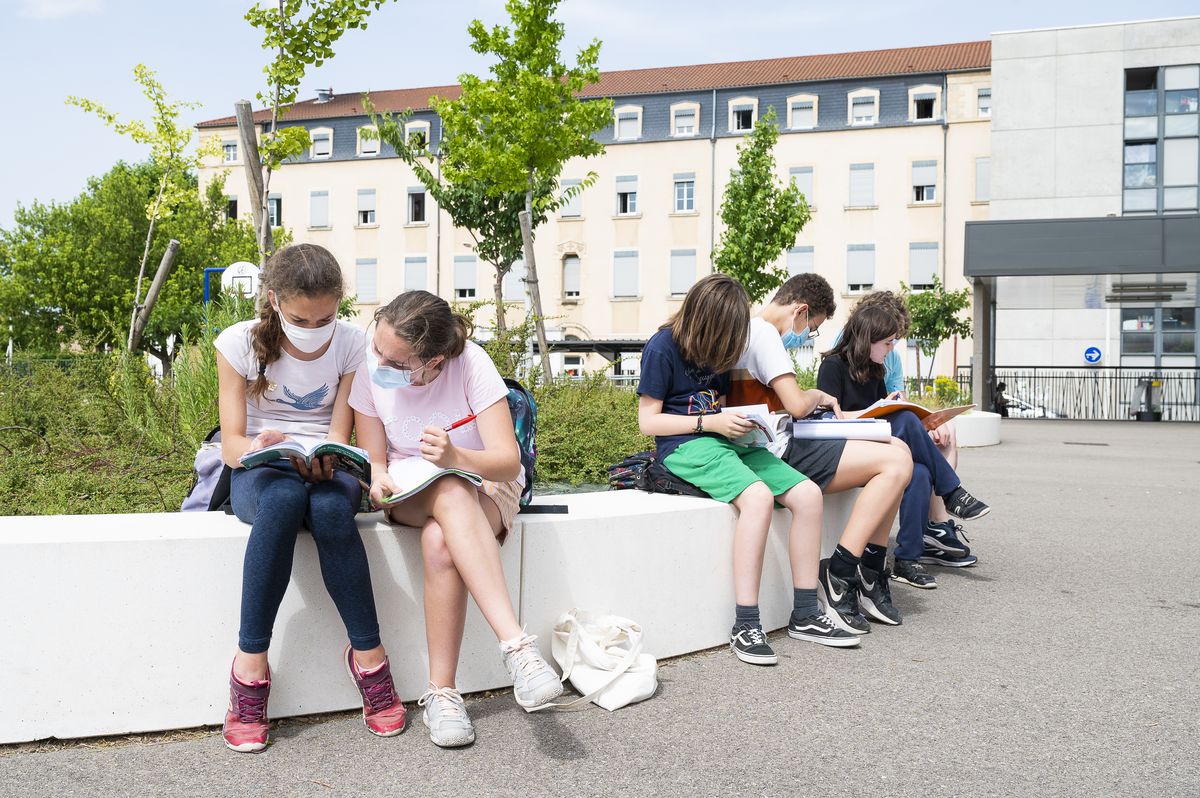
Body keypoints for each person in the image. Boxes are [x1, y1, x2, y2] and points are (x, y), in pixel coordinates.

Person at [215, 243, 406, 753]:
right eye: (302, 317)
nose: (315, 327)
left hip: (325, 467)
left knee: (325, 507)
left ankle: (369, 656)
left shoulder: (349, 344)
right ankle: (250, 663)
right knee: (280, 502)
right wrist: (257, 446)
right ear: (273, 299)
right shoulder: (237, 343)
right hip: (262, 465)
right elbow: (230, 443)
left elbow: (340, 434)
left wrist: (332, 459)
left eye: (327, 316)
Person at [351, 290, 561, 748]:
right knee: (448, 487)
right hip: (409, 488)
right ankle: (518, 647)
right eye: (378, 350)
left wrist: (455, 454)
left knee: (440, 540)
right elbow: (377, 460)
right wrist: (378, 478)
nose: (382, 362)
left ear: (435, 361)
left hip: (486, 481)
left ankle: (442, 695)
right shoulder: (369, 369)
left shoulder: (472, 364)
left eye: (399, 362)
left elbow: (507, 461)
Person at [637, 273, 859, 667]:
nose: (731, 342)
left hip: (724, 438)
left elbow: (717, 403)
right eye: (727, 331)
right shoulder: (662, 347)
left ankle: (806, 612)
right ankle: (745, 623)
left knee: (807, 494)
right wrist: (711, 424)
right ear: (706, 320)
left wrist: (739, 422)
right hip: (684, 445)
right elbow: (648, 423)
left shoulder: (717, 346)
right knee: (756, 498)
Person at [728, 274, 912, 634]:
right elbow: (797, 406)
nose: (808, 335)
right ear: (801, 310)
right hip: (779, 448)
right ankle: (843, 570)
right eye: (812, 327)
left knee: (899, 450)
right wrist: (818, 396)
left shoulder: (746, 330)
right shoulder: (765, 334)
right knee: (896, 460)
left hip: (774, 441)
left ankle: (867, 571)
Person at [817, 302, 992, 591]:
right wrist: (879, 410)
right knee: (906, 419)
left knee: (920, 471)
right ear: (867, 338)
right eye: (887, 342)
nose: (890, 349)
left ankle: (906, 560)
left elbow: (884, 410)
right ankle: (951, 492)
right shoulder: (833, 366)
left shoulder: (875, 370)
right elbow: (827, 417)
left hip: (878, 440)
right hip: (847, 445)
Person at [849, 291, 977, 572]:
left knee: (945, 434)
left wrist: (930, 422)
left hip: (884, 427)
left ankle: (929, 534)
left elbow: (898, 399)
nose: (893, 346)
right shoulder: (847, 355)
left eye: (895, 339)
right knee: (909, 425)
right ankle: (946, 507)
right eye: (889, 340)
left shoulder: (887, 358)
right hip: (865, 434)